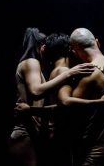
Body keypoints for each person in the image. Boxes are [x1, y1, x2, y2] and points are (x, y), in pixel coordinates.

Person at [14, 32, 104, 166]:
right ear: (70, 50)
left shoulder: (55, 72)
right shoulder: (63, 72)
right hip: (59, 138)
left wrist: (31, 110)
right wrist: (99, 102)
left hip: (52, 137)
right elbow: (64, 104)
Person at [7, 28, 95, 166]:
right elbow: (36, 91)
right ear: (41, 47)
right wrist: (69, 73)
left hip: (33, 134)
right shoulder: (31, 61)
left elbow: (57, 105)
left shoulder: (41, 69)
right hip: (25, 133)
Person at [58, 28, 104, 166]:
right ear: (97, 42)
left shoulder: (90, 72)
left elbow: (66, 108)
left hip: (98, 148)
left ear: (74, 51)